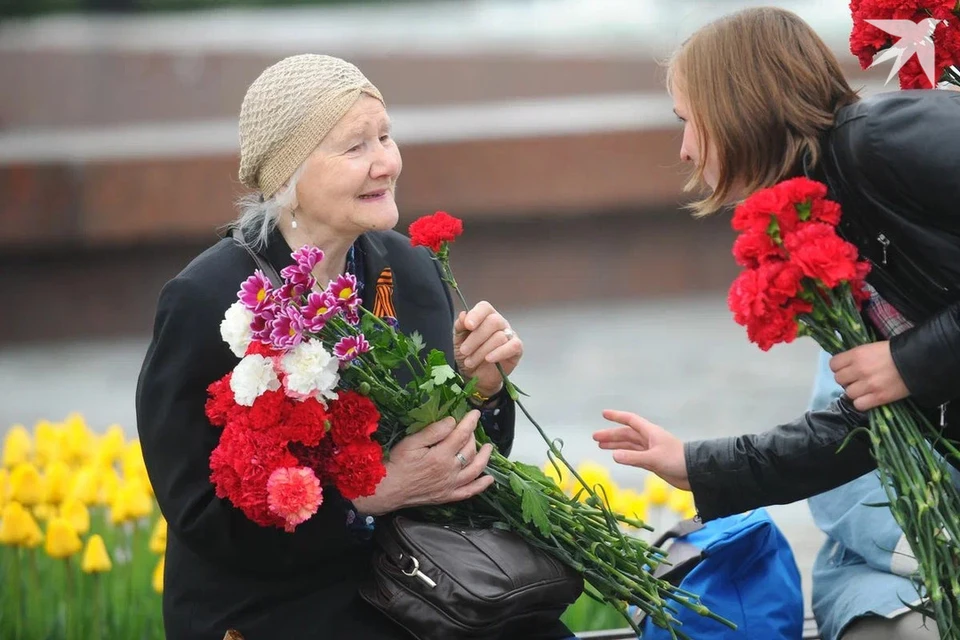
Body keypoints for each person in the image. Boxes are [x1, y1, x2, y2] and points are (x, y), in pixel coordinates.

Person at [136, 54, 570, 640]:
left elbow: (456, 469)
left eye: (386, 136)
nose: (386, 163)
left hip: (416, 581)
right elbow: (199, 516)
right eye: (355, 147)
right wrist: (369, 496)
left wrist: (484, 390)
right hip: (273, 604)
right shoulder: (208, 299)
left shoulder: (409, 270)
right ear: (288, 177)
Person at [591, 7, 960, 522]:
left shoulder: (879, 140)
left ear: (735, 105)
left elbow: (903, 373)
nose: (685, 151)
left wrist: (910, 361)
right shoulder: (826, 206)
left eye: (686, 121)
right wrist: (695, 465)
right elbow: (870, 424)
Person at [807, 351, 943, 640]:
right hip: (882, 568)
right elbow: (830, 459)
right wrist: (940, 553)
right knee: (923, 633)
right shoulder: (863, 318)